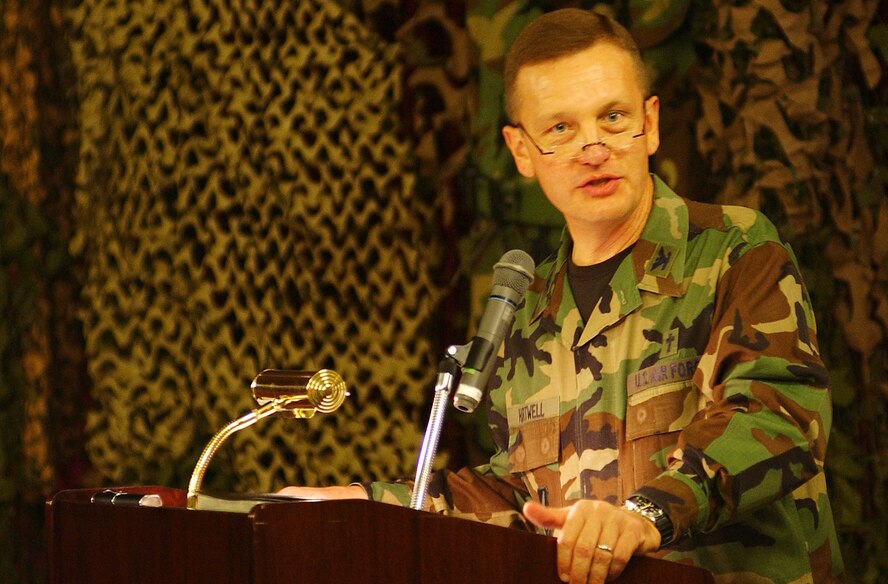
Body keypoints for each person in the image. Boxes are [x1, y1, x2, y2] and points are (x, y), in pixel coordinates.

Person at [282, 8, 845, 583]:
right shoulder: (525, 311)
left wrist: (645, 515)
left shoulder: (733, 247)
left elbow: (778, 417)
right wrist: (366, 503)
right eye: (560, 129)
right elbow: (516, 497)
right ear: (521, 151)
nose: (593, 147)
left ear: (649, 124)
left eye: (613, 116)